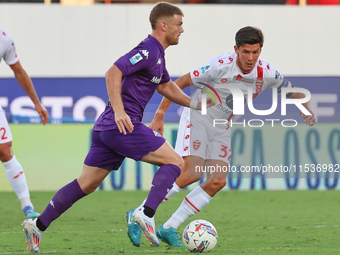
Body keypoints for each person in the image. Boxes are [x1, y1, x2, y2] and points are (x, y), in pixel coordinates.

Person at [22, 2, 213, 253]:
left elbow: (165, 85)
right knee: (176, 163)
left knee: (86, 184)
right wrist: (121, 111)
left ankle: (37, 225)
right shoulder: (147, 51)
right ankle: (145, 214)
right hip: (121, 125)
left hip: (107, 129)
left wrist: (194, 104)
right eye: (179, 24)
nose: (182, 30)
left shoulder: (158, 56)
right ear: (163, 25)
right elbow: (112, 72)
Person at [127, 26, 317, 247]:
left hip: (222, 124)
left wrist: (305, 108)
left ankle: (169, 227)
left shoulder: (266, 72)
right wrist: (160, 114)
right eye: (246, 52)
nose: (251, 57)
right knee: (191, 173)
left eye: (256, 52)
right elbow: (181, 82)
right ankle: (140, 212)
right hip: (198, 115)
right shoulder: (220, 65)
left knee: (217, 181)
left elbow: (289, 89)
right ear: (236, 49)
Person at [0, 29, 49, 219]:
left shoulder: (4, 40)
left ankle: (27, 206)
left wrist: (36, 103)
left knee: (5, 150)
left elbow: (18, 71)